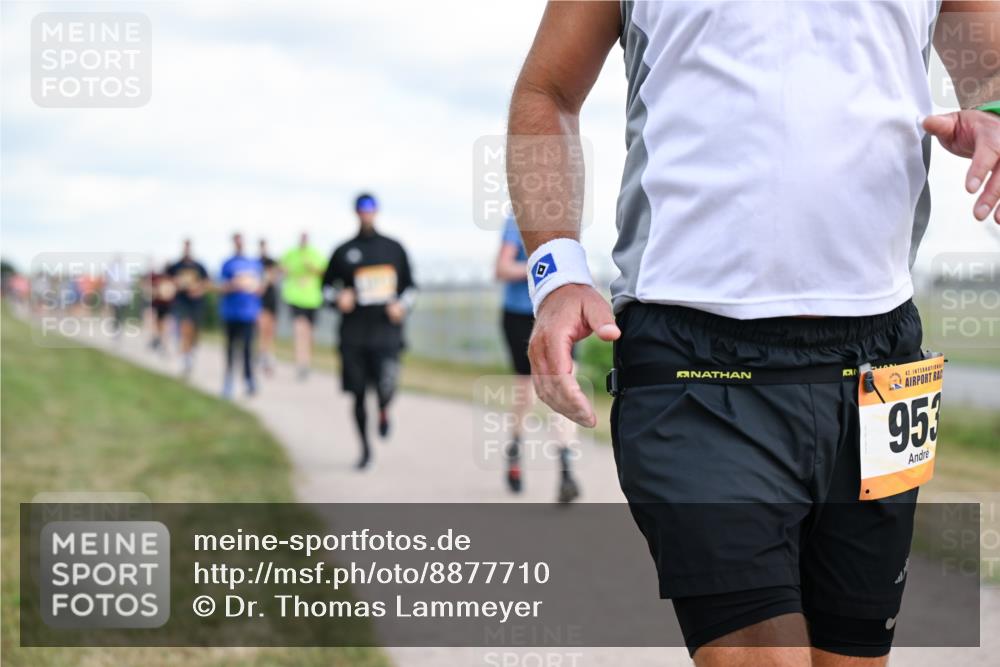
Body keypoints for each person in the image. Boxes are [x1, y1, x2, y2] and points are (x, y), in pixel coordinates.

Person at [508, 2, 1000, 665]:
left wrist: (995, 112)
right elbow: (549, 89)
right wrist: (556, 271)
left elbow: (988, 62)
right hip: (693, 360)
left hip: (880, 368)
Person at [323, 193, 416, 470]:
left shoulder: (393, 248)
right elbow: (325, 288)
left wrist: (402, 306)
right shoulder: (343, 251)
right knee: (359, 394)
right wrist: (338, 299)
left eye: (370, 209)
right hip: (353, 335)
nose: (366, 214)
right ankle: (365, 450)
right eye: (362, 209)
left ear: (377, 212)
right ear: (356, 213)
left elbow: (411, 288)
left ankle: (385, 409)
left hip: (386, 333)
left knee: (386, 385)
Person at [495, 215, 580, 503]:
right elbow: (502, 268)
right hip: (520, 315)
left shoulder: (569, 221)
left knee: (565, 390)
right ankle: (515, 451)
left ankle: (566, 471)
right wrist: (542, 268)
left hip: (558, 314)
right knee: (527, 396)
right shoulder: (516, 221)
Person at [219, 233, 264, 399]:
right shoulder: (227, 264)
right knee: (230, 349)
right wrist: (234, 284)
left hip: (248, 313)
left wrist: (255, 288)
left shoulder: (254, 264)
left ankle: (249, 380)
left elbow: (260, 288)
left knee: (247, 349)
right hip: (231, 312)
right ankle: (228, 381)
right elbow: (221, 287)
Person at [281, 232, 327, 380]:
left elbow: (325, 273)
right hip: (295, 297)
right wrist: (286, 271)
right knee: (300, 330)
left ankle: (307, 362)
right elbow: (280, 267)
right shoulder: (291, 253)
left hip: (313, 299)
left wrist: (311, 268)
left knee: (309, 334)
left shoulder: (316, 254)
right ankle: (301, 363)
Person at [166, 239, 209, 378]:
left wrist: (198, 290)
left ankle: (189, 353)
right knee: (185, 328)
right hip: (181, 302)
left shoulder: (199, 266)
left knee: (193, 331)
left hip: (196, 303)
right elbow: (168, 280)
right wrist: (176, 283)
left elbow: (207, 282)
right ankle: (184, 358)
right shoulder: (176, 266)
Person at [257, 239, 279, 376]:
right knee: (263, 328)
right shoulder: (256, 262)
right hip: (261, 300)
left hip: (271, 299)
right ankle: (262, 355)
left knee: (270, 330)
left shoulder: (272, 262)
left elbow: (275, 277)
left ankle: (269, 354)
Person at [147, 263, 175, 352]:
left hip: (166, 306)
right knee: (158, 324)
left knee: (164, 325)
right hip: (158, 305)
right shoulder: (158, 278)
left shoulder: (169, 279)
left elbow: (170, 293)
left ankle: (162, 343)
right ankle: (158, 340)